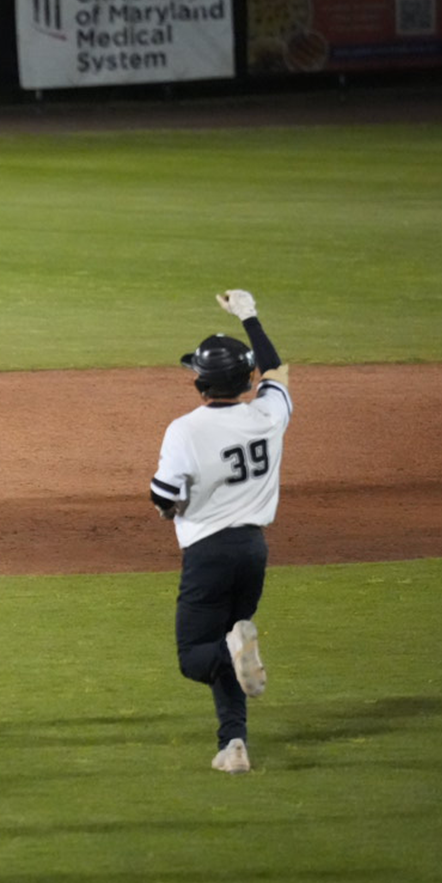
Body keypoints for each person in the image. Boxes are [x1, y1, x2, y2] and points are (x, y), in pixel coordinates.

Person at [149, 289, 291, 775]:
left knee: (196, 655)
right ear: (245, 378)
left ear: (200, 384)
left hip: (208, 554)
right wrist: (249, 316)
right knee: (230, 644)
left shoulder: (185, 430)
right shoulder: (269, 415)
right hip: (253, 551)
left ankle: (234, 659)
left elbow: (163, 498)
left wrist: (174, 511)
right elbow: (275, 373)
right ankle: (234, 744)